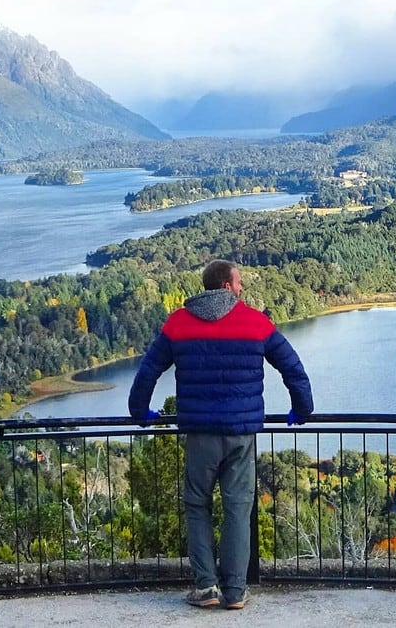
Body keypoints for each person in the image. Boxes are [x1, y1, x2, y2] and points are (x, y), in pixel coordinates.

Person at [128, 259, 313, 610]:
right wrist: (301, 410)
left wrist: (140, 412)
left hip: (199, 434)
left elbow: (148, 370)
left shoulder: (178, 323)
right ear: (227, 286)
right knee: (238, 508)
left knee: (197, 506)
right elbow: (292, 367)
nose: (242, 288)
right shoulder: (255, 322)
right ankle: (236, 590)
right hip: (241, 435)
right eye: (239, 282)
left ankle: (205, 587)